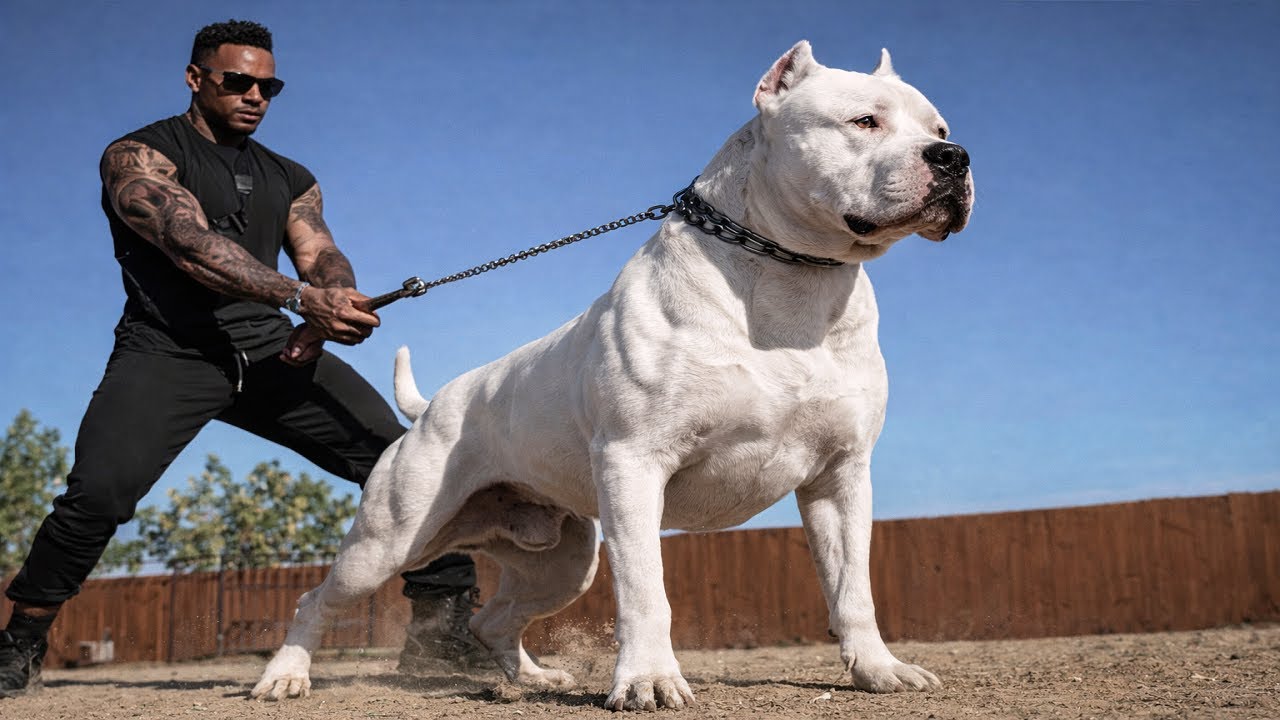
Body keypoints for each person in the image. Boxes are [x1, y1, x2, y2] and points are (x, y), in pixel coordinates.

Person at [0, 19, 482, 698]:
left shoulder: (289, 176)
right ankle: (20, 640)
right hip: (168, 352)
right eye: (238, 81)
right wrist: (298, 296)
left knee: (407, 461)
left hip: (272, 351)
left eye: (269, 85)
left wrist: (332, 303)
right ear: (196, 79)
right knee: (98, 494)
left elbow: (318, 252)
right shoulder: (138, 157)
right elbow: (190, 243)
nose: (256, 95)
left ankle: (443, 628)